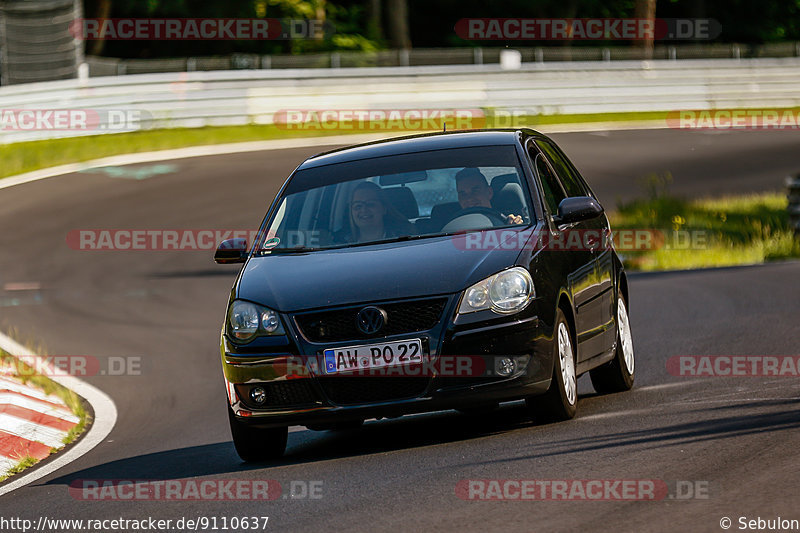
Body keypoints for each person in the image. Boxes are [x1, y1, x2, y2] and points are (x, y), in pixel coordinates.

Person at [340, 181, 415, 243]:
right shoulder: (341, 245)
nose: (364, 210)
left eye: (370, 204)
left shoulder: (406, 240)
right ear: (351, 212)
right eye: (358, 206)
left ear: (384, 208)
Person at [455, 168, 524, 225]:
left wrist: (514, 227)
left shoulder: (507, 223)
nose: (469, 198)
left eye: (475, 191)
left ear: (489, 192)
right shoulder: (451, 229)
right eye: (462, 193)